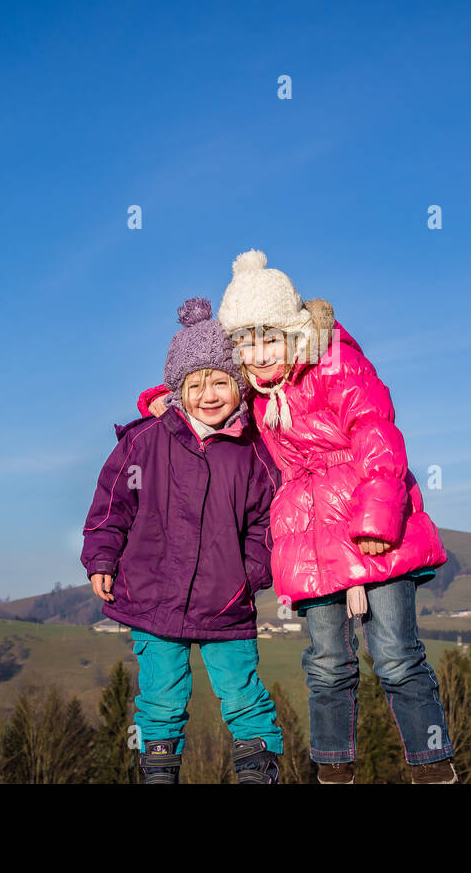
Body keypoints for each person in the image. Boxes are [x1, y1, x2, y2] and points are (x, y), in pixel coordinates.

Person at [136, 251, 456, 783]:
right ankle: (333, 770)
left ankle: (432, 765)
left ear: (292, 333)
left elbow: (377, 431)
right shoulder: (259, 396)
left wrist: (378, 520)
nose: (258, 355)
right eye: (244, 343)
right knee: (327, 664)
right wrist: (164, 400)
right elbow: (208, 402)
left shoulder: (335, 364)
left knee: (397, 656)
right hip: (308, 542)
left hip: (374, 530)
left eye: (268, 339)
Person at [83, 297, 283, 783]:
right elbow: (112, 507)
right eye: (196, 384)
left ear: (239, 386)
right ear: (177, 390)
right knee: (160, 697)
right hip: (152, 597)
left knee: (243, 694)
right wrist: (101, 558)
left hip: (225, 603)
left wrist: (248, 574)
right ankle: (158, 772)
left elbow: (268, 524)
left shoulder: (254, 453)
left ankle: (259, 772)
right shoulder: (144, 442)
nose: (209, 394)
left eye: (220, 381)